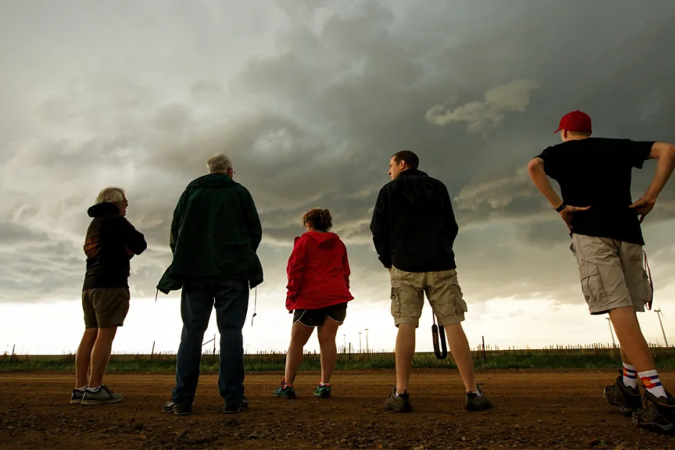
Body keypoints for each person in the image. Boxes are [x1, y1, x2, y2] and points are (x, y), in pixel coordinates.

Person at [527, 110, 675, 433]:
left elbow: (533, 167)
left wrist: (560, 207)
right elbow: (668, 150)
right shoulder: (617, 147)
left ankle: (659, 398)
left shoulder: (558, 153)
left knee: (617, 307)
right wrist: (651, 196)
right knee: (628, 312)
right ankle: (629, 386)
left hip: (592, 235)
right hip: (630, 233)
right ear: (590, 131)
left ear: (563, 132)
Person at [370, 150, 492, 413]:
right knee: (453, 323)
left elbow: (378, 230)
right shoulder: (438, 187)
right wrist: (442, 248)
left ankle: (401, 393)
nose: (388, 170)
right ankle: (473, 392)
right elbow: (452, 226)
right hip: (441, 264)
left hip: (404, 266)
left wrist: (388, 262)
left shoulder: (388, 191)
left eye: (390, 165)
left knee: (406, 324)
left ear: (402, 164)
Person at [158, 154, 263, 415]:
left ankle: (182, 400)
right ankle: (233, 399)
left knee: (191, 333)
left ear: (209, 171)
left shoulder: (191, 193)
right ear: (229, 171)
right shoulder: (240, 193)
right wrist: (240, 256)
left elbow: (176, 233)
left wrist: (188, 259)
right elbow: (254, 232)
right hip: (234, 274)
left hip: (195, 274)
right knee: (231, 333)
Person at [72, 187, 147, 406]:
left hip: (90, 285)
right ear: (114, 202)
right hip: (111, 284)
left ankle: (80, 387)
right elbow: (140, 243)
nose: (127, 204)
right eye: (124, 200)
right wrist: (128, 250)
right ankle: (95, 388)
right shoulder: (115, 221)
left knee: (90, 333)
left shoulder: (94, 224)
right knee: (106, 334)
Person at [274, 208, 353, 400]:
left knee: (297, 341)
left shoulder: (304, 242)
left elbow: (295, 270)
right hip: (337, 297)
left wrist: (292, 296)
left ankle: (287, 385)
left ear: (308, 223)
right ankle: (324, 385)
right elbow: (345, 272)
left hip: (310, 298)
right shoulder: (339, 244)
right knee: (328, 340)